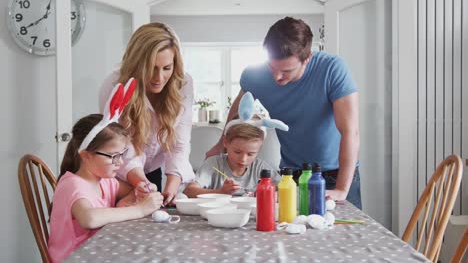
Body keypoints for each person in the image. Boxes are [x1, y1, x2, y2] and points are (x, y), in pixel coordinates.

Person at [206, 17, 361, 209]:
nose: (277, 77)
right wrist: (221, 143)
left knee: (346, 236)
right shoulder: (255, 75)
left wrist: (342, 189)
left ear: (308, 58)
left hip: (334, 174)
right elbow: (239, 110)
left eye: (286, 70)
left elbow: (350, 131)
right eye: (272, 67)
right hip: (290, 175)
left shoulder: (332, 68)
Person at [100, 22, 195, 206]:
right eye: (151, 68)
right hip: (120, 175)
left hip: (153, 171)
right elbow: (120, 146)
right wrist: (142, 184)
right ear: (137, 64)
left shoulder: (183, 83)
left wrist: (171, 188)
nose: (159, 78)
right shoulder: (115, 85)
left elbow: (179, 144)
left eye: (166, 68)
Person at [48, 114, 164, 263]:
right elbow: (89, 219)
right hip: (73, 258)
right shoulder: (72, 185)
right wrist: (140, 209)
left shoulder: (105, 181)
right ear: (86, 156)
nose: (120, 162)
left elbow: (130, 190)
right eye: (113, 156)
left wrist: (138, 192)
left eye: (122, 154)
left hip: (99, 253)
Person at [184, 92, 286, 197]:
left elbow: (285, 189)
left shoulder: (260, 167)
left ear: (259, 149)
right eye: (237, 152)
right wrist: (221, 192)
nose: (243, 159)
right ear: (225, 142)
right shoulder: (214, 164)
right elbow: (189, 191)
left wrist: (264, 193)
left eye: (250, 154)